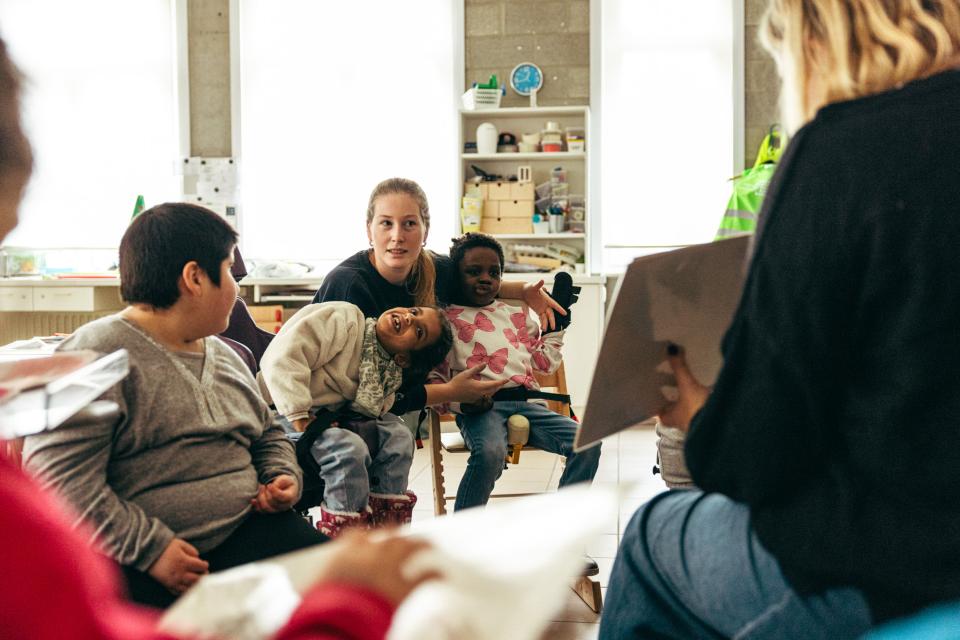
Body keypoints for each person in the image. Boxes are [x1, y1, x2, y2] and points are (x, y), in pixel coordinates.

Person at [0, 33, 438, 639]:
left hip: (256, 531)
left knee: (384, 596)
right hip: (166, 560)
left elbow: (267, 431)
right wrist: (149, 547)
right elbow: (61, 482)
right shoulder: (101, 353)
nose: (238, 284)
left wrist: (280, 476)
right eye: (232, 269)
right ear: (194, 277)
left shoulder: (227, 354)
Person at [600, 1, 960, 638]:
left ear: (822, 35)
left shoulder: (843, 150)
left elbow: (758, 457)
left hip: (899, 567)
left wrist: (697, 417)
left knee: (651, 538)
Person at [311, 177, 566, 419]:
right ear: (369, 230)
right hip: (328, 400)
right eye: (386, 223)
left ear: (426, 231)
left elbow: (479, 284)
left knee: (399, 435)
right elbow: (363, 394)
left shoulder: (436, 269)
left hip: (392, 399)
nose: (397, 236)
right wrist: (450, 392)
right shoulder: (349, 286)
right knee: (397, 435)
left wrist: (524, 291)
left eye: (409, 223)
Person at [427, 232, 600, 511]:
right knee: (490, 452)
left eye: (494, 272)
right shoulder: (445, 320)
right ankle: (463, 538)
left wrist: (556, 330)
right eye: (473, 271)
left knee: (587, 443)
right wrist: (460, 403)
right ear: (455, 276)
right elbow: (435, 380)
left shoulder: (514, 313)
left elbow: (544, 364)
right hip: (481, 409)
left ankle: (565, 528)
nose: (485, 278)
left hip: (526, 402)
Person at [258, 301, 453, 536]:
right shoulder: (345, 319)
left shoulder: (386, 371)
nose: (410, 318)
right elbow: (283, 358)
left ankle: (385, 536)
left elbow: (376, 408)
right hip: (278, 410)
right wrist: (300, 415)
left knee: (400, 436)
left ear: (402, 360)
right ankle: (346, 541)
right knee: (349, 449)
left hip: (326, 417)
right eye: (414, 311)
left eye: (419, 331)